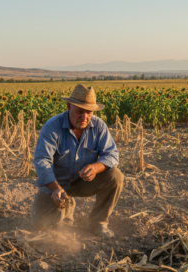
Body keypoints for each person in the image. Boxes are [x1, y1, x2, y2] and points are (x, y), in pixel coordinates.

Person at [30, 84, 123, 237]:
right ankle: (67, 205)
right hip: (57, 184)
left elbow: (112, 155)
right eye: (80, 111)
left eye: (89, 112)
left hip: (83, 182)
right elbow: (42, 160)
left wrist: (96, 167)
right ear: (69, 106)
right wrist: (55, 188)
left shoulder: (99, 126)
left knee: (115, 176)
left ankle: (98, 223)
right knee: (39, 224)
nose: (84, 117)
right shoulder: (52, 127)